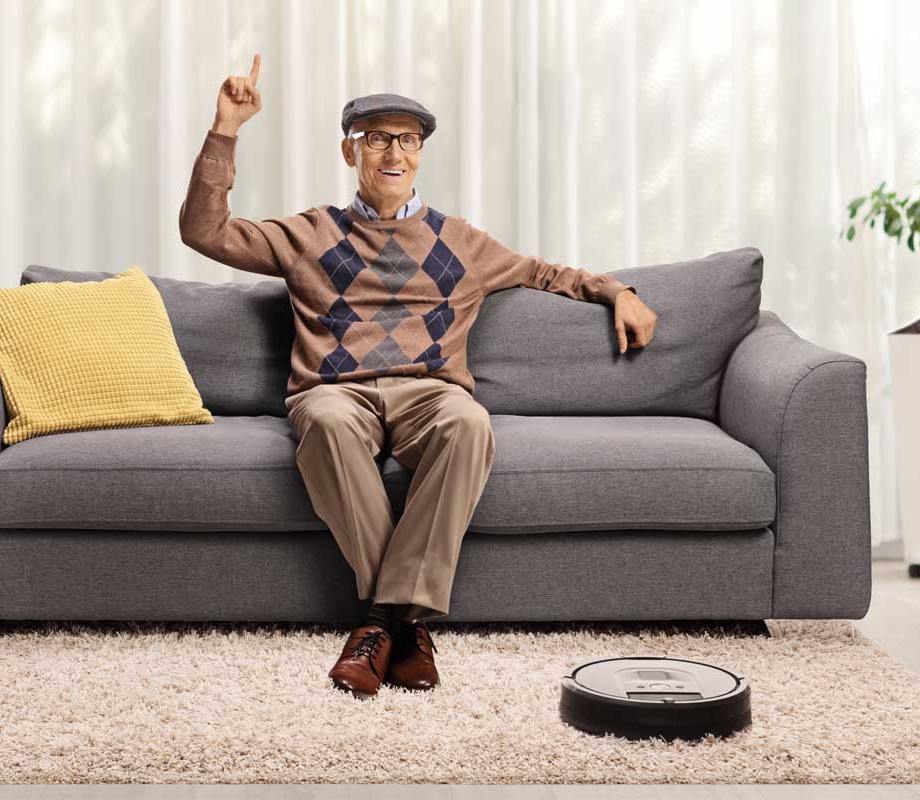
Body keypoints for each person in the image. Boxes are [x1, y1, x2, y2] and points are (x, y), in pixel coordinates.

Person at [179, 53, 659, 700]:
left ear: (422, 153)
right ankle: (408, 628)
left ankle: (381, 622)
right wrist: (226, 129)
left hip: (431, 395)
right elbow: (203, 231)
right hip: (334, 392)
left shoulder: (460, 241)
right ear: (350, 152)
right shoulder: (308, 233)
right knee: (321, 420)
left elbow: (547, 274)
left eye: (408, 139)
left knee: (468, 424)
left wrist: (616, 291)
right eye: (376, 138)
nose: (393, 152)